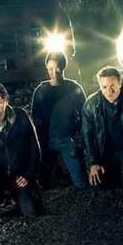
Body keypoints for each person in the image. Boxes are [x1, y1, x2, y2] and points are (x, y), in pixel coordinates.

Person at [0, 82, 42, 221]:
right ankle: (5, 199)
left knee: (32, 211)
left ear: (6, 101)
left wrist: (29, 174)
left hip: (19, 176)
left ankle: (19, 197)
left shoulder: (21, 117)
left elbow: (34, 148)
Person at [82, 66, 123, 190]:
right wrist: (93, 162)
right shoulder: (91, 104)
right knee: (99, 183)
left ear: (120, 83)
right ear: (100, 86)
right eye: (104, 87)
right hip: (103, 151)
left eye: (112, 85)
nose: (109, 91)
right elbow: (87, 135)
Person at [31, 51, 87, 189]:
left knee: (81, 183)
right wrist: (40, 146)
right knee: (42, 184)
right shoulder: (41, 91)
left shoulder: (74, 88)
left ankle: (67, 168)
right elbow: (35, 120)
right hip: (48, 142)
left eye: (57, 68)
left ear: (63, 68)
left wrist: (79, 142)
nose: (54, 72)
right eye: (50, 68)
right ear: (46, 68)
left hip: (68, 140)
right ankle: (55, 169)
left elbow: (85, 116)